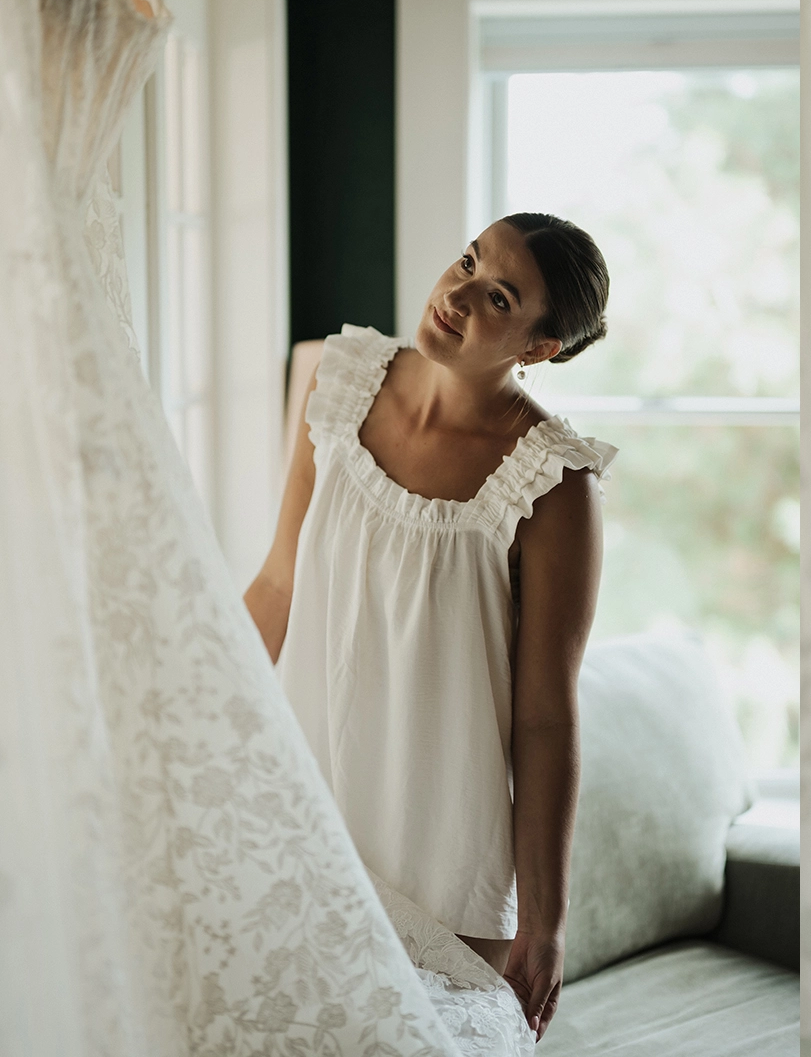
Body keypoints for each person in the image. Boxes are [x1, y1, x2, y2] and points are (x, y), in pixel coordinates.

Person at [244, 212, 616, 1040]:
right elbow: (277, 585)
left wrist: (546, 921)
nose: (458, 293)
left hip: (445, 850)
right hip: (307, 806)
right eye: (466, 261)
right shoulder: (338, 383)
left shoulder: (554, 483)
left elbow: (547, 717)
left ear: (539, 348)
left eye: (498, 295)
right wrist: (187, 723)